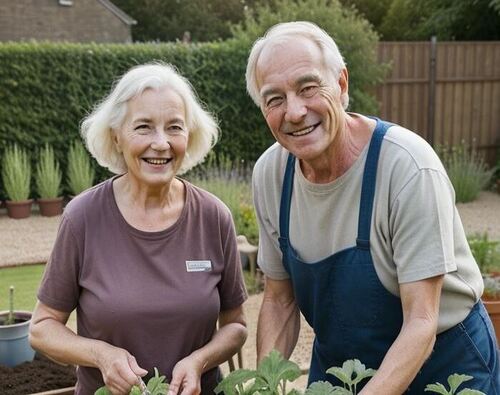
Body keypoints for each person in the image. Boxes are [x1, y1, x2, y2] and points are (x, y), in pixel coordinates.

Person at [246, 21, 499, 394]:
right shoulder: (271, 175)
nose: (295, 111)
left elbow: (421, 322)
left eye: (308, 87)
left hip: (442, 363)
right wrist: (266, 387)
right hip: (343, 365)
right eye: (275, 99)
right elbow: (280, 301)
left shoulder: (406, 167)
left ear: (342, 84)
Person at [29, 63, 248, 395]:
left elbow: (236, 325)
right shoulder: (83, 217)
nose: (160, 143)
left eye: (174, 127)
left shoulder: (213, 216)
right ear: (116, 136)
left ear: (189, 137)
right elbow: (42, 328)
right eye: (143, 127)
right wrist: (100, 355)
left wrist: (199, 361)